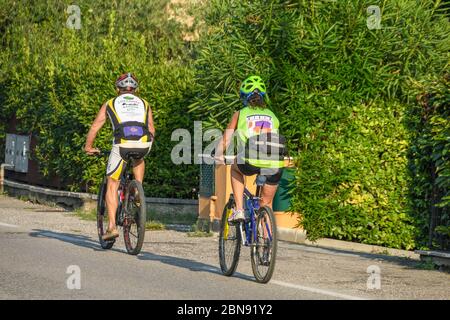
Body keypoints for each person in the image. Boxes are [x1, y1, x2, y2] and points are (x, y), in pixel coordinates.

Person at [84, 73, 155, 240]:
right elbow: (151, 128)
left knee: (112, 183)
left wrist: (88, 146)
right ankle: (138, 190)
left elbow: (95, 127)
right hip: (144, 143)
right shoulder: (145, 103)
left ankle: (111, 227)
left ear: (117, 89)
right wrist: (147, 141)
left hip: (122, 143)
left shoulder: (110, 103)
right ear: (136, 90)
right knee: (139, 157)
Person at [215, 75, 285, 222]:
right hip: (275, 163)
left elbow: (226, 139)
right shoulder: (272, 116)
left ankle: (239, 210)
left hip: (249, 160)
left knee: (235, 168)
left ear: (244, 97)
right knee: (266, 204)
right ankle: (268, 242)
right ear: (263, 97)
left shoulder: (240, 114)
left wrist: (218, 155)